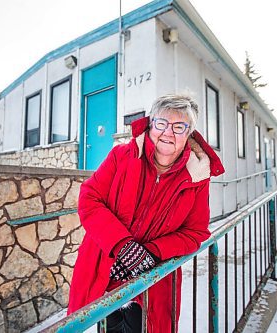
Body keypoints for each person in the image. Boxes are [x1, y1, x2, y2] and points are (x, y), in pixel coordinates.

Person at [67, 93, 225, 332]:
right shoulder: (122, 156)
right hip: (101, 270)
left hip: (152, 282)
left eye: (179, 126)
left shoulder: (197, 177)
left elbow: (195, 232)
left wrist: (151, 252)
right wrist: (123, 247)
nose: (168, 133)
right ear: (151, 125)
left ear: (189, 133)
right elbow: (90, 199)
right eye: (161, 123)